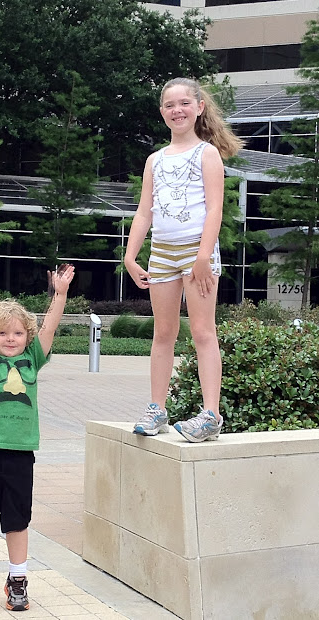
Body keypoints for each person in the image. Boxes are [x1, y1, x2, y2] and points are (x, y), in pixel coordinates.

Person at [124, 77, 243, 443]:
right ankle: (157, 409)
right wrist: (130, 256)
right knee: (163, 333)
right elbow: (144, 211)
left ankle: (211, 415)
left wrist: (204, 256)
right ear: (162, 112)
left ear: (199, 107)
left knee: (203, 332)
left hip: (197, 252)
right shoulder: (155, 160)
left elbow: (215, 208)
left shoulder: (206, 153)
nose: (177, 110)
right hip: (162, 253)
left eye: (184, 103)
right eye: (170, 105)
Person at [0, 261, 75, 614]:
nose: (10, 339)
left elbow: (50, 327)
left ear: (27, 336)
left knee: (17, 520)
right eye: (2, 333)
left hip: (21, 455)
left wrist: (60, 295)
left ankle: (18, 579)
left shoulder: (33, 357)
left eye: (17, 333)